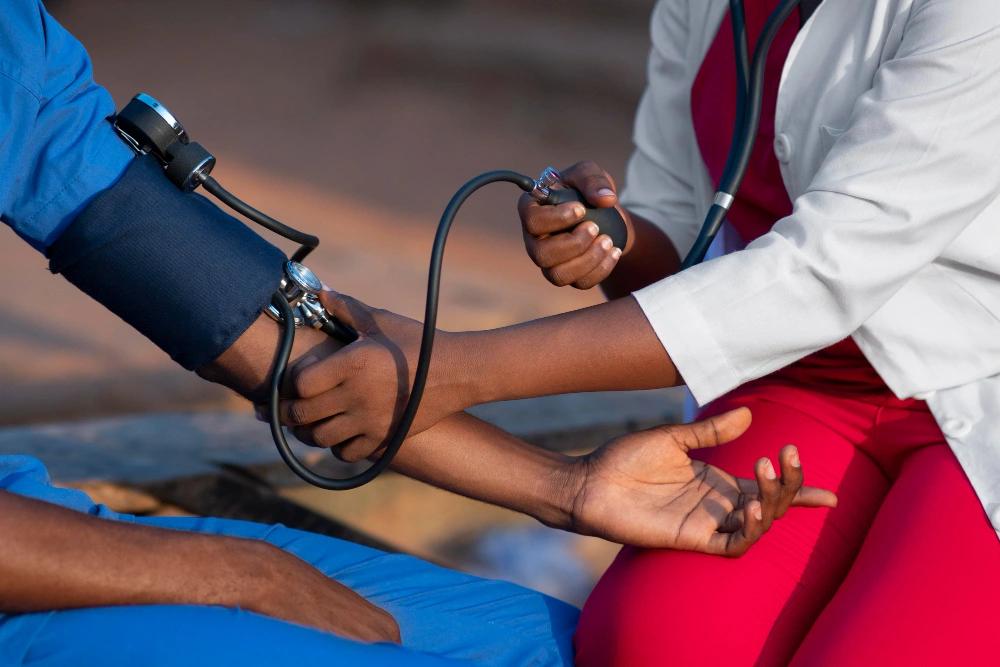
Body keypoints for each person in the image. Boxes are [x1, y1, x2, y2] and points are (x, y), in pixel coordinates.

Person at [0, 1, 837, 664]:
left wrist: (565, 486)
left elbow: (138, 234)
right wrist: (238, 576)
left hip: (35, 527)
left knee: (567, 650)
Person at [279, 0, 1000, 664]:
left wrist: (453, 370)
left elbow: (822, 272)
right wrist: (609, 237)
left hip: (979, 385)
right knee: (655, 642)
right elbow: (687, 248)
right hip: (799, 383)